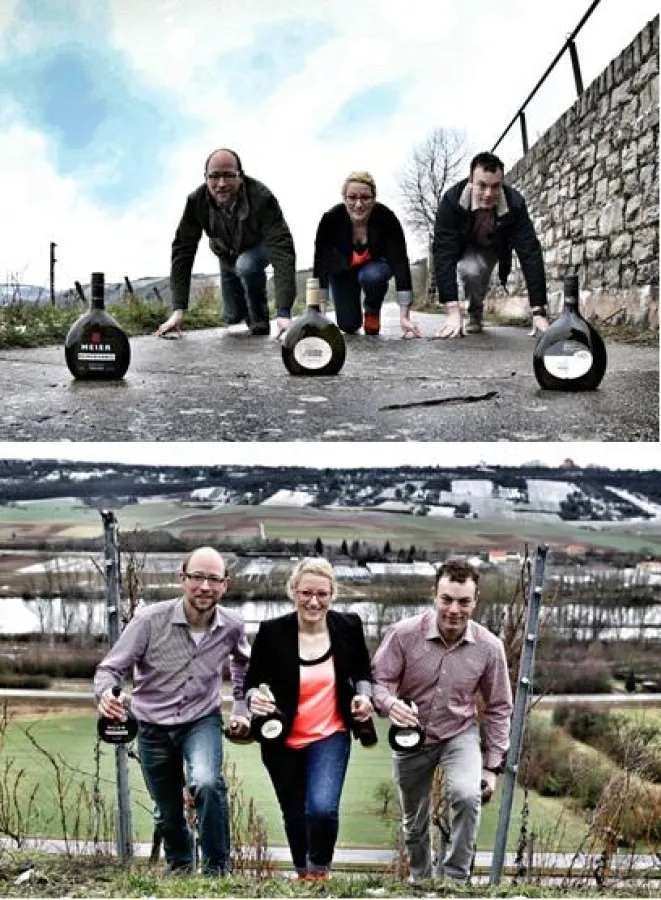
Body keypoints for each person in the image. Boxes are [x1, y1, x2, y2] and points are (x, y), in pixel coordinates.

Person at [94, 546, 251, 876]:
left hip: (202, 720)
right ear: (182, 579)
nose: (204, 586)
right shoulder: (149, 621)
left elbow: (243, 665)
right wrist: (107, 694)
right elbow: (110, 669)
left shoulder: (233, 625)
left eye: (213, 579)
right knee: (167, 810)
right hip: (152, 725)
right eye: (197, 577)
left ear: (225, 585)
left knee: (207, 783)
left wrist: (240, 708)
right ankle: (180, 867)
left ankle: (217, 873)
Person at [371, 557, 513, 883]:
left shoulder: (490, 648)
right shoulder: (403, 634)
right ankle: (421, 882)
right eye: (446, 599)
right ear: (434, 595)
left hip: (459, 733)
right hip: (411, 736)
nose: (454, 609)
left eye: (464, 601)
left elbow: (500, 706)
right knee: (414, 820)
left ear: (475, 601)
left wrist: (491, 766)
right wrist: (390, 704)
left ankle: (454, 882)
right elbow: (378, 682)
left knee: (466, 795)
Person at [245, 557, 375, 881]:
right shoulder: (272, 632)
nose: (313, 601)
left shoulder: (349, 626)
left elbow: (362, 672)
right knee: (293, 814)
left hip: (330, 733)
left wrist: (363, 696)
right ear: (293, 591)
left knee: (321, 809)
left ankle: (320, 872)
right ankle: (303, 874)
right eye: (306, 593)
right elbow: (249, 684)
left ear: (332, 594)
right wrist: (255, 700)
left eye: (322, 594)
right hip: (281, 738)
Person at [157, 148, 297, 338]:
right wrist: (178, 310)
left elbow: (282, 250)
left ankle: (260, 321)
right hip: (226, 254)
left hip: (259, 248)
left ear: (240, 177)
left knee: (246, 265)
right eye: (214, 176)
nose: (221, 184)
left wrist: (284, 313)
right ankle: (247, 314)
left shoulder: (262, 198)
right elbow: (183, 251)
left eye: (229, 176)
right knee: (233, 315)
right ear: (206, 177)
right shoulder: (195, 202)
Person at [432, 151, 550, 337]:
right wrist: (452, 311)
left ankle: (475, 309)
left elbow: (530, 253)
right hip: (466, 246)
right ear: (471, 181)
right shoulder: (451, 202)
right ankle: (474, 314)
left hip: (494, 246)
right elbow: (443, 251)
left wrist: (538, 312)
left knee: (481, 271)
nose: (489, 194)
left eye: (495, 186)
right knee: (470, 270)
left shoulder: (515, 204)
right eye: (482, 185)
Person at [312, 171, 422, 337]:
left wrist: (404, 317)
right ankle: (352, 316)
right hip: (343, 271)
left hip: (375, 268)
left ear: (374, 198)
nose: (358, 204)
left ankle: (372, 308)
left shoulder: (387, 218)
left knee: (372, 276)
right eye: (352, 197)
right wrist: (319, 316)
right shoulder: (330, 220)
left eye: (365, 197)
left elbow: (400, 263)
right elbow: (321, 264)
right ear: (344, 198)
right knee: (348, 326)